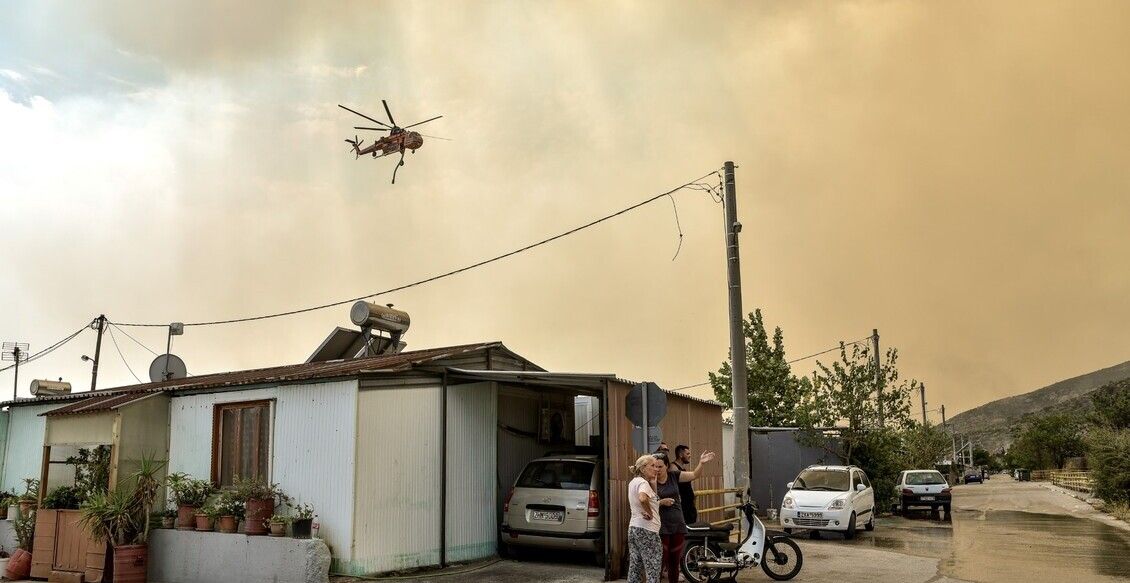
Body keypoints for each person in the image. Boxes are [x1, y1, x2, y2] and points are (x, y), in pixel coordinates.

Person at [654, 450, 715, 583]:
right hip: (660, 526)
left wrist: (701, 463)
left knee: (675, 561)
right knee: (660, 561)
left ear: (666, 466)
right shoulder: (650, 481)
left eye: (660, 466)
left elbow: (694, 475)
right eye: (654, 466)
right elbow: (646, 502)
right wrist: (661, 502)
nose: (657, 470)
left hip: (677, 524)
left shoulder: (674, 476)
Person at [628, 454, 672, 583]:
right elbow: (642, 498)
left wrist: (653, 483)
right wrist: (650, 513)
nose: (656, 469)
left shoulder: (634, 482)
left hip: (634, 528)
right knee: (653, 567)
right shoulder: (643, 483)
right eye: (652, 466)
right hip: (648, 530)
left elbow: (651, 500)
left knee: (635, 567)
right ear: (642, 469)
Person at [671, 444, 709, 524]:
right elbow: (694, 475)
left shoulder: (682, 468)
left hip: (688, 505)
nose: (690, 456)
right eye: (687, 454)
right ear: (681, 455)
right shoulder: (673, 468)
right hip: (682, 507)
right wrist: (701, 463)